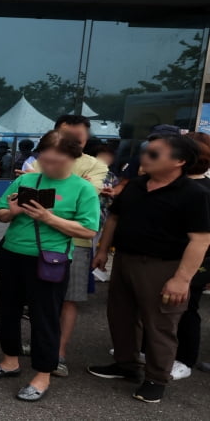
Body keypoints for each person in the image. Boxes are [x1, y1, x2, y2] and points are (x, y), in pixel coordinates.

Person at [88, 133, 210, 403]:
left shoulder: (194, 194)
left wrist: (181, 279)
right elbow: (114, 218)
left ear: (179, 161)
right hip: (126, 260)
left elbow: (200, 240)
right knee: (121, 316)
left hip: (163, 266)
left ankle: (156, 378)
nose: (145, 157)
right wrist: (102, 251)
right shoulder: (136, 186)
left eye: (154, 154)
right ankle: (125, 365)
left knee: (160, 324)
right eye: (145, 151)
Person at [0, 131, 100, 401]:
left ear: (73, 158)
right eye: (44, 160)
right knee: (8, 310)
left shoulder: (82, 189)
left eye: (56, 161)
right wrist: (13, 211)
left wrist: (48, 217)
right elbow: (0, 213)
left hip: (50, 259)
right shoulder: (26, 179)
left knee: (44, 316)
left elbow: (88, 230)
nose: (48, 166)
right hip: (13, 254)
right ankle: (9, 360)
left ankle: (42, 374)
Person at [27, 115, 109, 377]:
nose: (69, 144)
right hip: (36, 239)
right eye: (64, 137)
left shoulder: (95, 165)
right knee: (41, 300)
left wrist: (54, 181)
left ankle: (58, 353)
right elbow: (31, 189)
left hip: (76, 242)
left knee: (68, 299)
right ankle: (43, 345)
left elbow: (89, 193)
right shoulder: (44, 159)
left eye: (77, 139)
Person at [173, 132, 210, 378]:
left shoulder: (204, 190)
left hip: (198, 260)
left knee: (187, 307)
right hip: (165, 256)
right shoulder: (171, 185)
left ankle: (185, 358)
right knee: (159, 306)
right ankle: (150, 349)